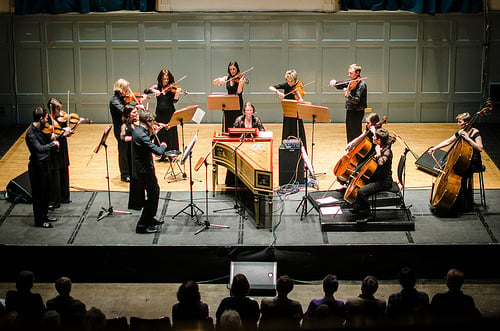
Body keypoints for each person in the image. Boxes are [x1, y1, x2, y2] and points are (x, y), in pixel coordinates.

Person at [428, 112, 483, 213]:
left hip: (473, 161)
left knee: (460, 177)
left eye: (460, 122)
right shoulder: (461, 131)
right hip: (463, 161)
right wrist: (434, 148)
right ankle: (454, 201)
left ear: (466, 123)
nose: (458, 124)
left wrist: (467, 138)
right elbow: (448, 141)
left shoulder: (475, 132)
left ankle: (461, 203)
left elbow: (479, 148)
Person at [131, 110, 167, 234]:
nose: (154, 123)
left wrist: (154, 133)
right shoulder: (141, 135)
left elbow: (146, 143)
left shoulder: (139, 131)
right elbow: (158, 151)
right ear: (148, 121)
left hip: (145, 168)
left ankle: (150, 218)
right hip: (144, 170)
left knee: (154, 192)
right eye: (153, 121)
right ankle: (142, 225)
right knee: (152, 195)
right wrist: (163, 145)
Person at [25, 107, 60, 228]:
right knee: (38, 195)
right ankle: (39, 221)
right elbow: (39, 149)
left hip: (45, 164)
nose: (47, 120)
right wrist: (52, 144)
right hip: (37, 167)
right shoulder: (30, 134)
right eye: (46, 118)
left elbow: (46, 140)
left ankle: (45, 215)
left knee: (46, 192)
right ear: (41, 119)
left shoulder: (40, 130)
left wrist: (54, 137)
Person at [348, 128, 393, 219]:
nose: (373, 137)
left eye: (375, 137)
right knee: (357, 181)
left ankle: (368, 213)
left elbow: (381, 163)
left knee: (361, 191)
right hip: (376, 176)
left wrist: (378, 153)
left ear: (379, 140)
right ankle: (358, 206)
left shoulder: (387, 151)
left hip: (383, 181)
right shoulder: (380, 147)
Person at [144, 69, 182, 158]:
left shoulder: (172, 88)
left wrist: (177, 94)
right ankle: (161, 153)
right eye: (164, 79)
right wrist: (154, 91)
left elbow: (175, 101)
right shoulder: (157, 87)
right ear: (160, 79)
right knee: (160, 132)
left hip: (170, 113)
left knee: (170, 133)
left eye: (167, 79)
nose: (166, 81)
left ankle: (171, 153)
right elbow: (146, 91)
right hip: (159, 114)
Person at [336, 112, 382, 184]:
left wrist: (374, 132)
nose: (366, 124)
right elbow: (361, 136)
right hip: (365, 152)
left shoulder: (379, 132)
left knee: (357, 169)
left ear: (374, 123)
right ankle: (347, 181)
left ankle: (352, 182)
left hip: (371, 153)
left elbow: (380, 143)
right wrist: (351, 143)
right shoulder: (368, 128)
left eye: (368, 123)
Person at [268, 70, 307, 150]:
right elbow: (271, 87)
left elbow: (301, 98)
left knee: (298, 131)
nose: (290, 83)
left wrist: (299, 98)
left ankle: (300, 149)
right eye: (288, 81)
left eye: (292, 81)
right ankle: (286, 149)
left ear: (295, 79)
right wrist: (278, 92)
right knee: (287, 130)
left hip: (297, 112)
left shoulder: (299, 85)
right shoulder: (286, 85)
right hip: (288, 112)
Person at [329, 63, 368, 143]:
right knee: (349, 133)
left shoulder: (361, 85)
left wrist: (348, 95)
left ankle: (357, 150)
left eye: (351, 73)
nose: (349, 75)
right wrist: (335, 83)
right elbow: (343, 84)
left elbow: (356, 100)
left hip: (357, 112)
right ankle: (351, 150)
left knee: (356, 133)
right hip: (350, 110)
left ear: (357, 73)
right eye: (349, 73)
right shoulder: (351, 81)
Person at [47, 98, 74, 209]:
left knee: (64, 171)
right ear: (51, 108)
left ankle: (64, 197)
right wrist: (63, 132)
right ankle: (55, 200)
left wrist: (74, 127)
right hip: (54, 150)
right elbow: (50, 137)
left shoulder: (61, 120)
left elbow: (67, 134)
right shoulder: (48, 121)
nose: (60, 112)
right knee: (56, 175)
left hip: (62, 148)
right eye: (57, 110)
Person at [120, 104, 143, 211]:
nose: (136, 114)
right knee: (135, 177)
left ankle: (142, 199)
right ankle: (136, 201)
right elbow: (123, 138)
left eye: (136, 112)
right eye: (134, 112)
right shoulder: (125, 126)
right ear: (128, 114)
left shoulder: (138, 124)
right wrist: (136, 137)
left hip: (139, 152)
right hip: (131, 152)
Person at [213, 61, 247, 132]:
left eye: (234, 69)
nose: (232, 71)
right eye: (230, 69)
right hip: (228, 103)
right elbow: (214, 82)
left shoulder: (240, 78)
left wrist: (240, 84)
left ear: (237, 69)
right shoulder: (227, 78)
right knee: (228, 120)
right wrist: (221, 80)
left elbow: (239, 92)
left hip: (237, 102)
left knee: (237, 121)